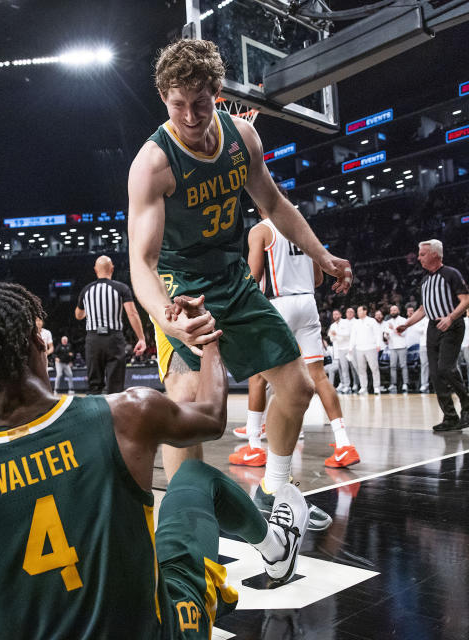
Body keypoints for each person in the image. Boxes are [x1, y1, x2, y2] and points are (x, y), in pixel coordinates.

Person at [0, 282, 309, 639]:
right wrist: (208, 338)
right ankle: (275, 548)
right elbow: (212, 416)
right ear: (39, 345)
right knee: (195, 477)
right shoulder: (126, 414)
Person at [126, 39, 350, 530]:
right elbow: (140, 262)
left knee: (296, 387)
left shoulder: (242, 137)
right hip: (180, 286)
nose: (189, 115)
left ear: (217, 92)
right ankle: (190, 526)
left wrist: (321, 254)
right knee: (187, 410)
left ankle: (275, 490)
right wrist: (167, 318)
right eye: (177, 104)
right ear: (165, 99)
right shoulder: (153, 163)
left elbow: (274, 205)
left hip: (232, 278)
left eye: (199, 103)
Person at [232, 206, 360, 469]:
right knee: (318, 376)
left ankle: (254, 446)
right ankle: (344, 443)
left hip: (280, 305)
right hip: (308, 304)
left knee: (257, 376)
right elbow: (316, 278)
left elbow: (253, 276)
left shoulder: (260, 230)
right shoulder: (302, 229)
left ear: (258, 206)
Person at [397, 240, 469, 431]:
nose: (418, 258)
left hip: (451, 325)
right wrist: (406, 325)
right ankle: (450, 417)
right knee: (435, 374)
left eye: (422, 254)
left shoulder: (451, 273)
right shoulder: (425, 279)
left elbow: (465, 301)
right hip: (433, 327)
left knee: (446, 368)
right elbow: (424, 308)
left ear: (435, 254)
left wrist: (450, 318)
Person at [75, 255, 147, 394]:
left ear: (95, 270)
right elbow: (132, 313)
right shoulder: (121, 288)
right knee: (115, 385)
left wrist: (88, 311)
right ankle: (115, 415)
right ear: (112, 268)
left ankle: (96, 415)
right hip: (114, 339)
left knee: (94, 385)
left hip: (93, 339)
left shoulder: (86, 290)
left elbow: (78, 315)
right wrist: (141, 338)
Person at [349, 305, 382, 395]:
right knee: (361, 369)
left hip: (371, 347)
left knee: (374, 368)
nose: (358, 313)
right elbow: (353, 336)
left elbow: (377, 334)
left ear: (365, 311)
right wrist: (350, 347)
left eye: (360, 311)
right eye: (358, 311)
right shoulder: (356, 323)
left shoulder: (372, 321)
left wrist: (378, 345)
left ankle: (376, 387)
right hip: (359, 348)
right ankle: (363, 387)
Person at [329, 308, 357, 393]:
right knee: (344, 369)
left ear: (340, 315)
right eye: (334, 314)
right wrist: (336, 336)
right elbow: (331, 337)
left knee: (353, 368)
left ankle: (356, 384)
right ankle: (347, 385)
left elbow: (348, 334)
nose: (335, 316)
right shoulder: (332, 325)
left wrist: (337, 334)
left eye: (337, 314)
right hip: (340, 349)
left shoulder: (346, 322)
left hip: (348, 348)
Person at [384, 305, 409, 393]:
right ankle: (393, 384)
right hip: (392, 346)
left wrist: (393, 329)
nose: (393, 311)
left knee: (403, 365)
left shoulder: (403, 320)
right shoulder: (388, 322)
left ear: (398, 311)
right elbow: (386, 335)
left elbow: (403, 333)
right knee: (393, 366)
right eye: (392, 310)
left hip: (402, 346)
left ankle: (405, 384)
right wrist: (386, 335)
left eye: (395, 310)